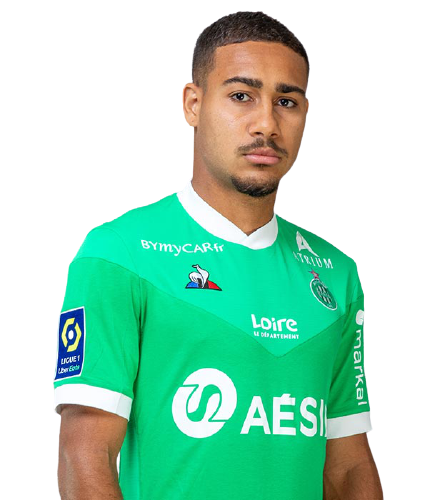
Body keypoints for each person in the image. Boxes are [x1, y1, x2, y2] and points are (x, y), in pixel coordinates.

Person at [54, 11, 383, 500]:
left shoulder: (337, 273)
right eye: (241, 96)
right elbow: (85, 457)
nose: (267, 123)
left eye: (286, 101)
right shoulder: (118, 254)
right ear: (193, 104)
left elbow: (348, 466)